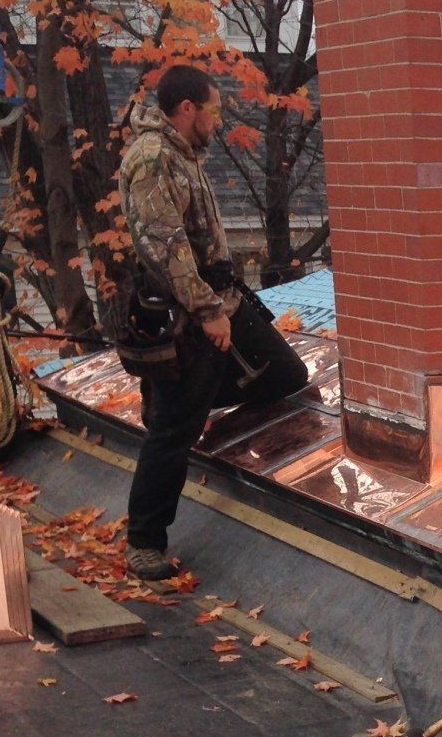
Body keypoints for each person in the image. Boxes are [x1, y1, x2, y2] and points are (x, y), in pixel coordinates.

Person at [119, 64, 307, 581]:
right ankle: (144, 543)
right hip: (189, 311)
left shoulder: (183, 154)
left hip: (222, 297)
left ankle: (183, 398)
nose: (219, 121)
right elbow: (166, 248)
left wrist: (224, 303)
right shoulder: (154, 159)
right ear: (187, 109)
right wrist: (207, 313)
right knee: (174, 431)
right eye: (214, 110)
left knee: (287, 374)